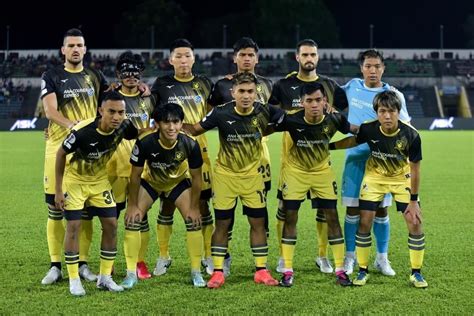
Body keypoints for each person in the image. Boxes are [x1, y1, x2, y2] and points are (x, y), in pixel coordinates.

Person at [184, 72, 282, 289]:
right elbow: (194, 129)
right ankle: (218, 272)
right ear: (233, 93)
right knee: (222, 224)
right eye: (241, 91)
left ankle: (261, 270)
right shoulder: (220, 113)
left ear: (256, 92)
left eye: (250, 91)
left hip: (252, 177)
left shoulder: (265, 110)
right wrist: (167, 124)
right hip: (225, 178)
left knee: (258, 223)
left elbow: (288, 121)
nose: (246, 96)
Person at [330, 90, 427, 288]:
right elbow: (352, 141)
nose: (387, 116)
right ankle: (363, 270)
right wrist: (329, 147)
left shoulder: (412, 135)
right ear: (377, 113)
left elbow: (415, 170)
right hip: (375, 178)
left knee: (414, 222)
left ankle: (416, 273)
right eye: (382, 111)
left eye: (391, 111)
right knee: (365, 222)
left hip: (402, 179)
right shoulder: (369, 129)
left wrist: (414, 201)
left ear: (398, 112)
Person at [268, 39, 348, 274]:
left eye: (313, 54)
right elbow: (270, 111)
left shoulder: (330, 86)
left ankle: (322, 256)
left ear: (318, 57)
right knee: (285, 209)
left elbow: (341, 114)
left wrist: (334, 111)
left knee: (325, 210)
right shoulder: (284, 85)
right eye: (305, 54)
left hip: (320, 160)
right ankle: (284, 259)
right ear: (297, 57)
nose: (309, 58)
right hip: (291, 160)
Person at [40, 28, 108, 285]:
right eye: (71, 46)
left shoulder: (95, 76)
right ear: (63, 50)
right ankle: (55, 265)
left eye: (80, 45)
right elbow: (50, 110)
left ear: (85, 49)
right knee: (55, 208)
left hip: (88, 152)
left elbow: (109, 105)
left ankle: (82, 263)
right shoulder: (52, 75)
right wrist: (73, 126)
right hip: (58, 147)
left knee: (86, 210)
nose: (76, 49)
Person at [272, 83, 356, 287]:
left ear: (325, 101)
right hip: (295, 173)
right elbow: (265, 126)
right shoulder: (291, 120)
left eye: (318, 100)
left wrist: (331, 146)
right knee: (290, 217)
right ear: (302, 103)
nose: (314, 104)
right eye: (309, 101)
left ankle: (340, 270)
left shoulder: (335, 119)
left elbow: (356, 134)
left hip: (322, 173)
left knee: (332, 217)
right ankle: (287, 269)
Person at [55, 91, 138, 296]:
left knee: (111, 225)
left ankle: (105, 277)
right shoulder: (82, 132)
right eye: (111, 111)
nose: (117, 117)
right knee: (73, 226)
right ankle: (74, 279)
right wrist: (58, 190)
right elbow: (61, 153)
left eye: (121, 112)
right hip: (75, 182)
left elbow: (138, 133)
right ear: (101, 111)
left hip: (100, 182)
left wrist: (156, 128)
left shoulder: (124, 126)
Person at [341, 49, 411, 275]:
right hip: (355, 160)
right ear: (361, 68)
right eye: (368, 66)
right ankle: (349, 258)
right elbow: (325, 99)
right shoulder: (350, 87)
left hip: (384, 164)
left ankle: (382, 259)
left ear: (383, 68)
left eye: (377, 66)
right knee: (352, 210)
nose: (373, 70)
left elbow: (407, 128)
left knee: (381, 211)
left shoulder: (393, 95)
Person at [207, 37, 273, 276]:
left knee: (259, 212)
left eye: (251, 55)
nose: (247, 59)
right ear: (235, 58)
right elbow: (209, 111)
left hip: (260, 155)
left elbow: (275, 114)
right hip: (231, 155)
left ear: (257, 58)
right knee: (226, 214)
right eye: (242, 55)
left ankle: (261, 263)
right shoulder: (223, 85)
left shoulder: (267, 84)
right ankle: (222, 258)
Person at [123, 103, 205, 288]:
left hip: (177, 183)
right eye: (166, 122)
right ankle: (130, 274)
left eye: (176, 122)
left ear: (181, 123)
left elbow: (197, 178)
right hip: (151, 182)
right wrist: (132, 205)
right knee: (132, 220)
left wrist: (194, 207)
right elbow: (135, 176)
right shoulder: (145, 142)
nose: (171, 127)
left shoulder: (190, 143)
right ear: (157, 124)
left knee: (193, 221)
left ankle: (196, 272)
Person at [151, 39, 214, 276]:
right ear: (171, 60)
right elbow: (150, 112)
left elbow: (217, 110)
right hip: (170, 154)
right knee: (167, 204)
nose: (183, 60)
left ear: (194, 58)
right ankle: (164, 256)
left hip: (200, 152)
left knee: (203, 205)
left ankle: (208, 256)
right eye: (178, 56)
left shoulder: (205, 83)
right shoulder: (162, 84)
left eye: (187, 56)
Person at [106, 51, 156, 280]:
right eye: (126, 71)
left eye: (135, 71)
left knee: (140, 218)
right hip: (114, 167)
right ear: (118, 74)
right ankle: (109, 262)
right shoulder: (109, 97)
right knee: (112, 219)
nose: (131, 76)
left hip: (141, 167)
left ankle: (139, 262)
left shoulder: (149, 98)